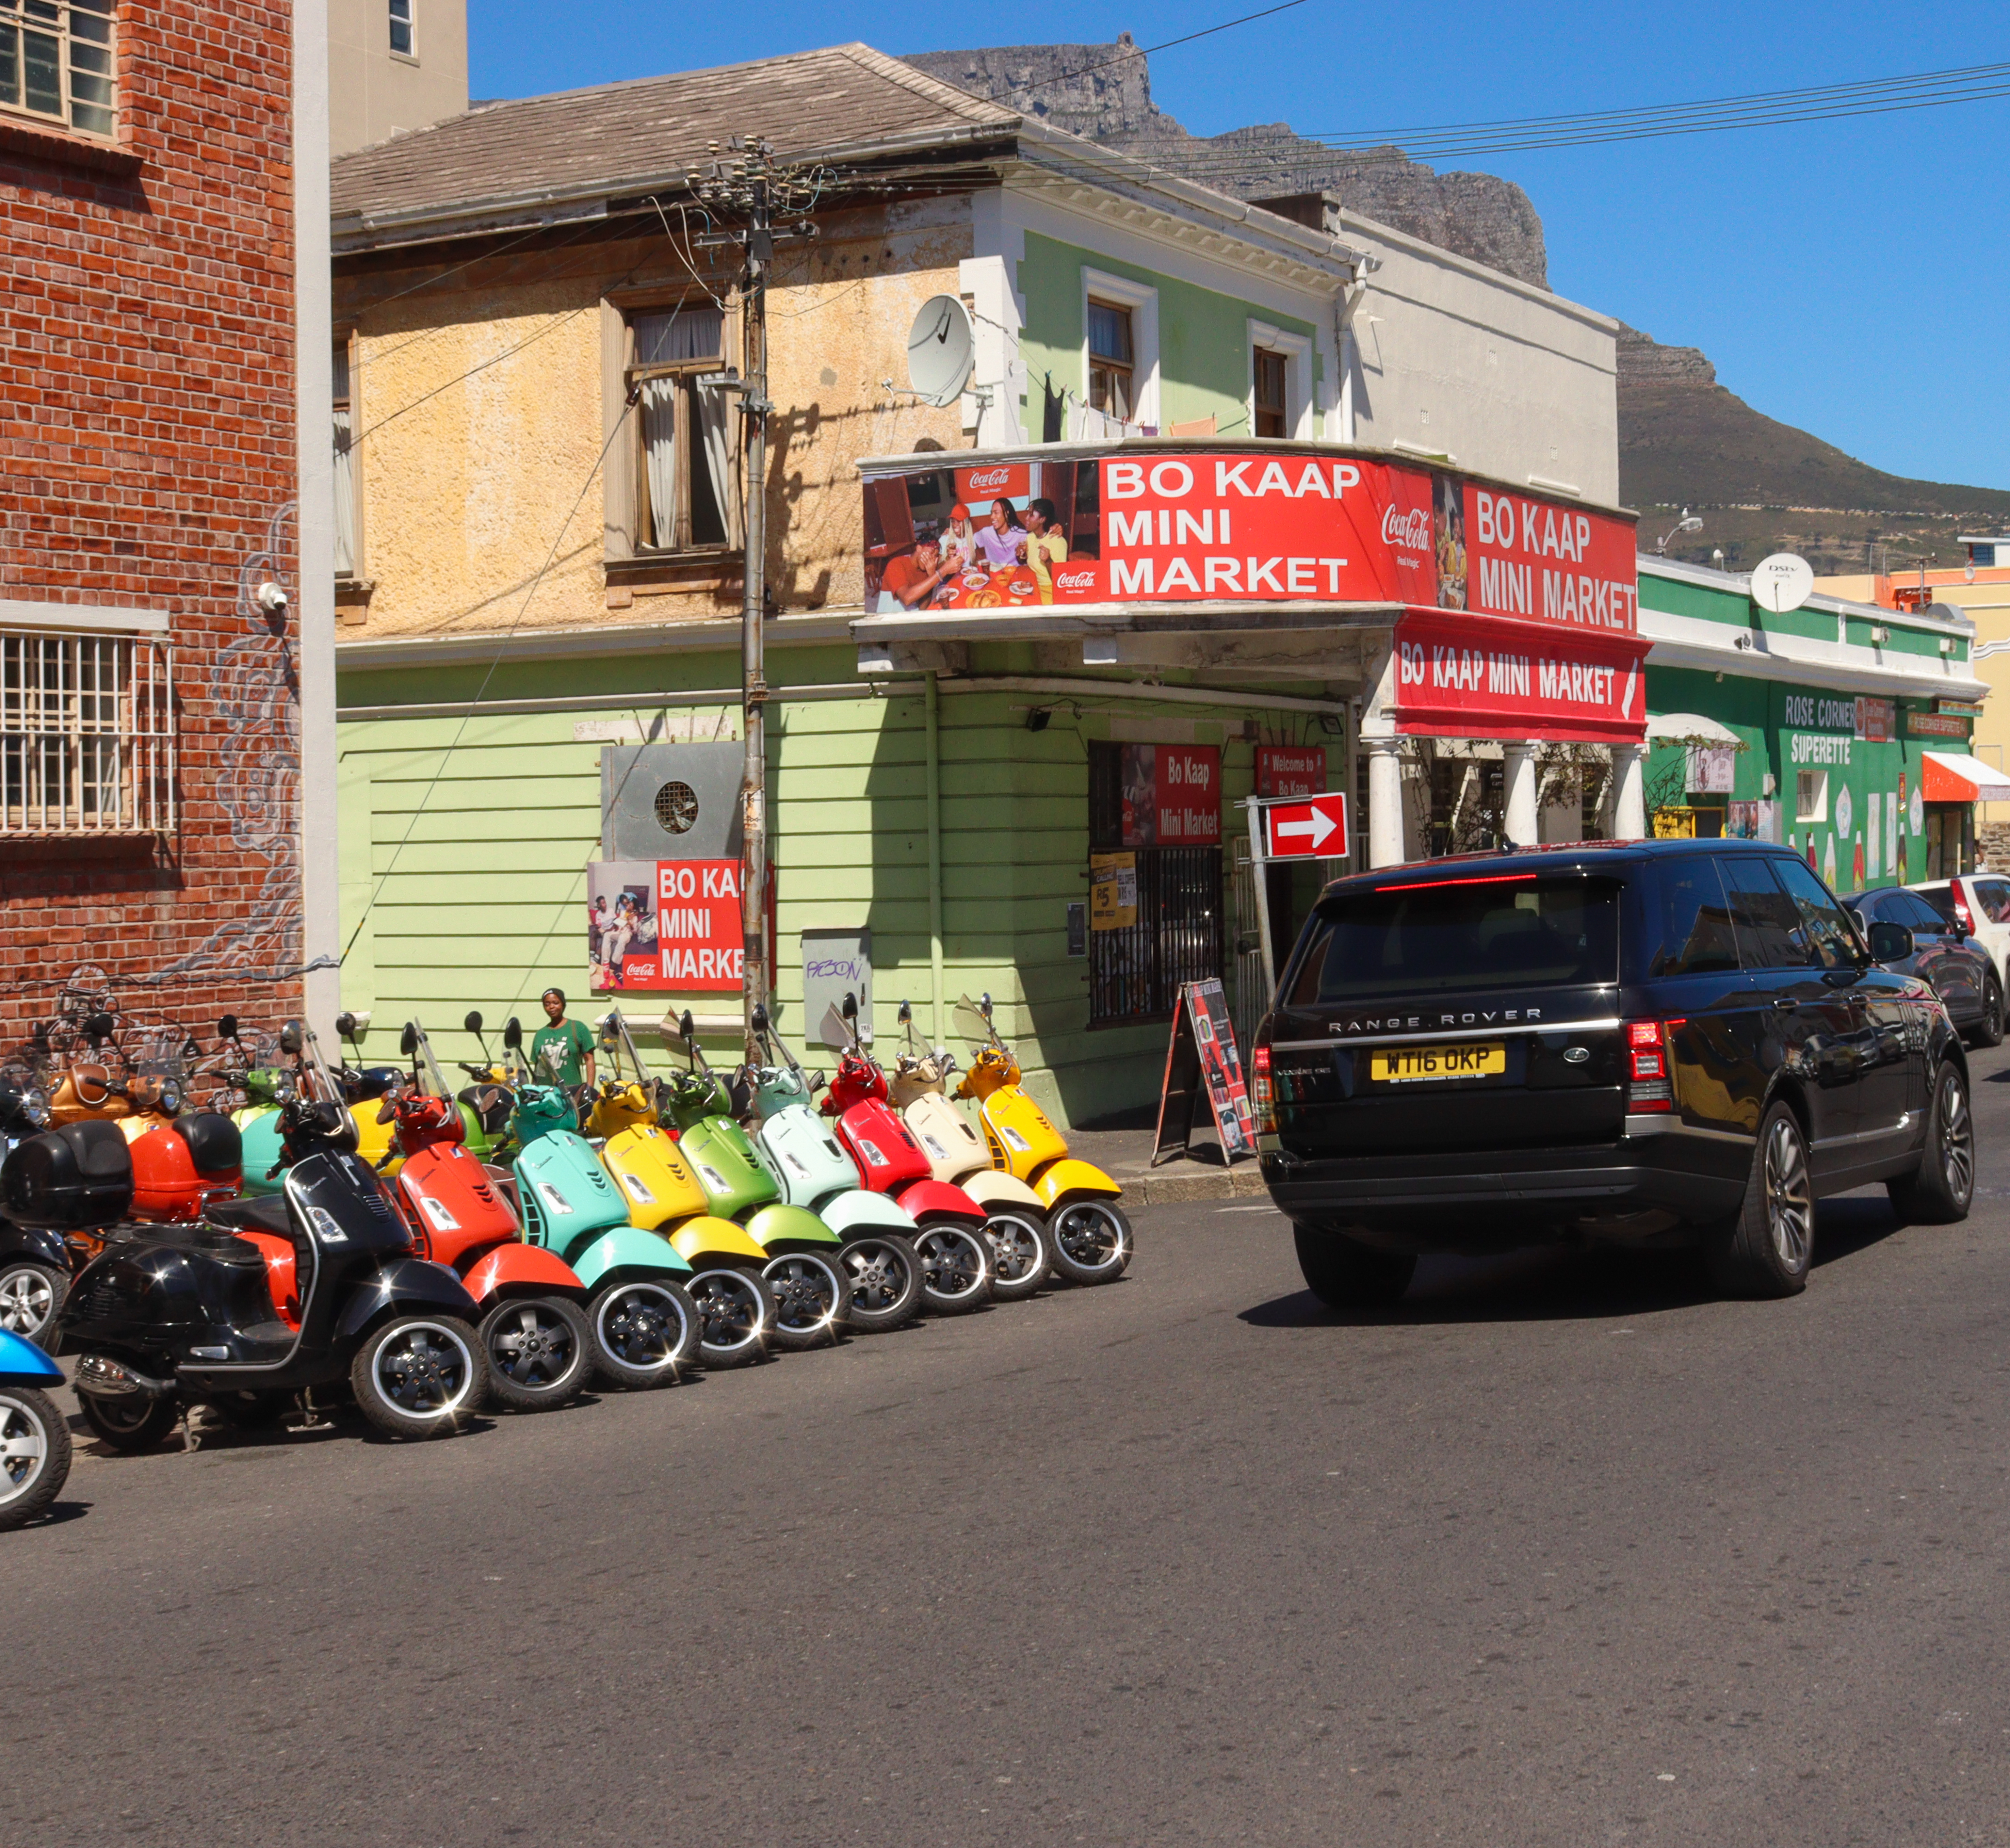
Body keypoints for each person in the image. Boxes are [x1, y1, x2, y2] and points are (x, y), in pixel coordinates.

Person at [530, 988, 596, 1089]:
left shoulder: (578, 1028)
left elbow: (590, 1059)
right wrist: (533, 1092)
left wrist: (589, 1089)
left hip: (572, 1092)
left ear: (563, 1004)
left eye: (556, 1003)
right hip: (545, 1095)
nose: (551, 1007)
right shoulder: (540, 1034)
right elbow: (537, 1069)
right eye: (547, 1004)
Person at [876, 538, 955, 611]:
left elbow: (923, 608)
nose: (932, 559)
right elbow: (907, 599)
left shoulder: (926, 568)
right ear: (919, 549)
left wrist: (931, 577)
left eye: (935, 556)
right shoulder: (896, 564)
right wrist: (940, 574)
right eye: (931, 553)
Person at [1022, 497, 1068, 595]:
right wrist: (1022, 555)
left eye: (1031, 515)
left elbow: (1061, 579)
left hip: (1050, 591)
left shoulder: (1058, 541)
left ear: (1042, 519)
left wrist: (1048, 561)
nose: (1026, 518)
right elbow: (1028, 561)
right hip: (1034, 586)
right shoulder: (1030, 537)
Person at [972, 497, 1027, 570]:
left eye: (996, 513)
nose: (992, 517)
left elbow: (1025, 561)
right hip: (994, 574)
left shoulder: (1021, 535)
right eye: (992, 513)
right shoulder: (987, 533)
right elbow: (970, 543)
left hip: (1016, 574)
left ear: (1006, 514)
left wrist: (1022, 555)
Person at [940, 502, 978, 572]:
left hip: (968, 577)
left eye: (959, 521)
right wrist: (949, 558)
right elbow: (939, 568)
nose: (955, 525)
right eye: (953, 521)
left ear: (966, 523)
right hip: (951, 579)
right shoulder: (945, 540)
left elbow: (974, 563)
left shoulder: (971, 540)